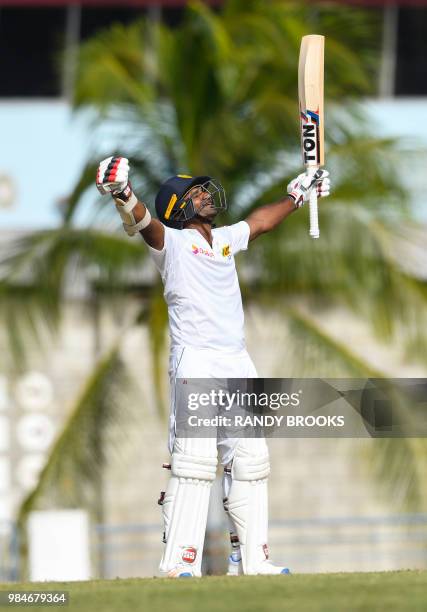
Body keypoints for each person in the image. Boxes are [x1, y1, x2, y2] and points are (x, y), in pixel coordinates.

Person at [96, 156, 330, 577]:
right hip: (197, 359)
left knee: (252, 460)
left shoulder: (223, 240)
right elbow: (144, 222)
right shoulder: (171, 243)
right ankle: (178, 563)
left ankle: (254, 560)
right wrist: (123, 193)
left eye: (204, 189)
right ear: (178, 209)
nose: (206, 195)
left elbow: (259, 223)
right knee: (195, 462)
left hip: (237, 358)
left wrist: (298, 194)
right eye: (196, 194)